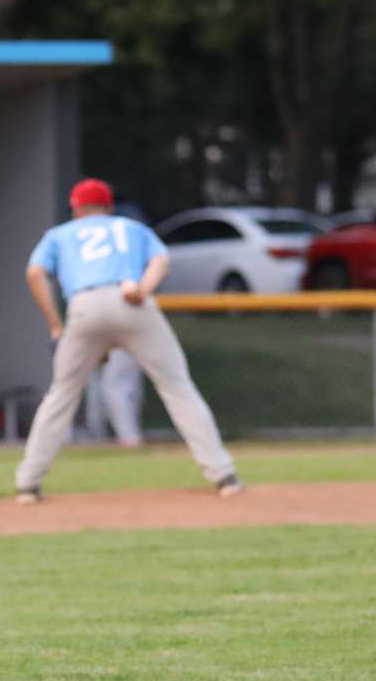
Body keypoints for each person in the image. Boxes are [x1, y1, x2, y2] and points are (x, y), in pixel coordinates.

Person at [14, 178, 241, 502]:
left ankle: (28, 483)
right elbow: (161, 261)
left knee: (61, 394)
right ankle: (224, 476)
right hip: (131, 300)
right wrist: (143, 290)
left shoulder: (59, 234)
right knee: (177, 387)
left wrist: (55, 324)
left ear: (76, 209)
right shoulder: (131, 227)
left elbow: (35, 273)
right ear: (108, 206)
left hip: (84, 305)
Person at [82, 350, 144, 448]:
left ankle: (129, 436)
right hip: (133, 348)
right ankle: (130, 435)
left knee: (114, 387)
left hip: (120, 348)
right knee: (128, 388)